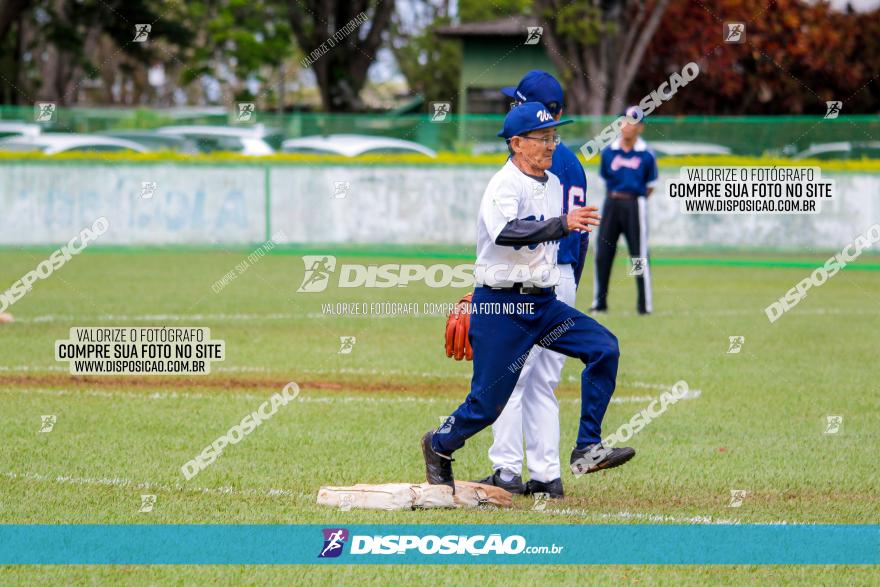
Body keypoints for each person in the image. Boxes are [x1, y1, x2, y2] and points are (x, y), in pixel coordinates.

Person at [421, 102, 635, 491]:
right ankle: (438, 444)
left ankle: (587, 447)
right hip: (503, 307)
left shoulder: (552, 183)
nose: (552, 144)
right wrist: (562, 224)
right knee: (488, 404)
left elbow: (541, 246)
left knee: (604, 347)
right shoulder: (503, 184)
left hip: (543, 304)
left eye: (554, 136)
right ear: (517, 143)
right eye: (543, 138)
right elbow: (507, 232)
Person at [473, 71, 589, 499]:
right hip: (561, 276)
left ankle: (505, 471)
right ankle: (546, 476)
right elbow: (581, 233)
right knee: (542, 384)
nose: (513, 111)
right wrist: (569, 281)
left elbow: (516, 232)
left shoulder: (536, 160)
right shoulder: (571, 161)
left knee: (511, 379)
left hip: (531, 283)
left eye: (519, 103)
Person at [591, 106, 659, 315]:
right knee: (603, 253)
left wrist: (633, 199)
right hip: (611, 204)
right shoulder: (610, 152)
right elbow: (605, 179)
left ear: (640, 128)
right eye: (623, 121)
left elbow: (650, 185)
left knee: (638, 255)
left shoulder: (646, 154)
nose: (627, 126)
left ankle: (644, 305)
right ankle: (599, 303)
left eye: (632, 122)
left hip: (634, 205)